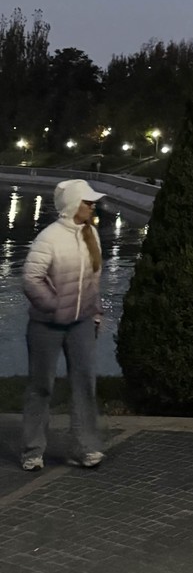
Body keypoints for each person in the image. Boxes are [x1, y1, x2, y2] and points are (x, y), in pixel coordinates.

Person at [20, 178, 107, 471]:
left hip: (81, 325)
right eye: (87, 202)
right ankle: (32, 451)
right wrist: (56, 307)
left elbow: (93, 280)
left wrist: (95, 314)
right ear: (72, 205)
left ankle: (86, 448)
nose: (92, 206)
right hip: (46, 325)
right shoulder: (49, 238)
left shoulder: (92, 235)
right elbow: (31, 279)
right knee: (41, 387)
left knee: (85, 386)